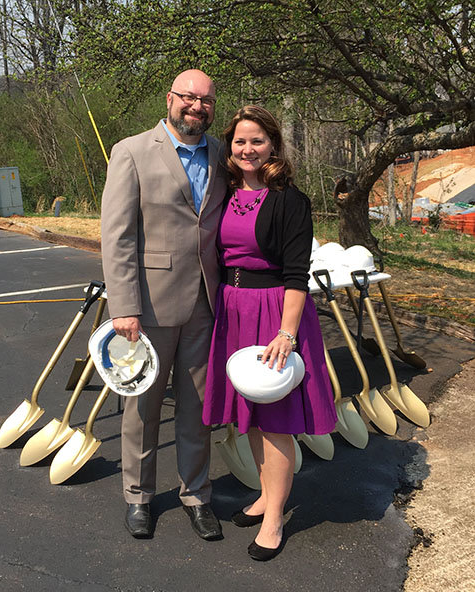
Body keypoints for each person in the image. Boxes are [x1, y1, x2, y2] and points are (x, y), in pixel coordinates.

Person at [202, 105, 338, 560]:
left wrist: (287, 334)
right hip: (234, 310)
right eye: (240, 141)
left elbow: (298, 274)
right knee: (252, 417)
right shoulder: (224, 191)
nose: (247, 149)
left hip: (275, 314)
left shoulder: (291, 201)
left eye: (256, 140)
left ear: (273, 145)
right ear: (230, 147)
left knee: (275, 422)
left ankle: (276, 518)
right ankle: (264, 496)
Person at [101, 69, 227, 541]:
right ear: (170, 98)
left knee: (197, 409)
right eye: (189, 98)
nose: (197, 106)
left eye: (207, 100)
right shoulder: (131, 152)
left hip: (205, 305)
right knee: (142, 408)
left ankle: (196, 495)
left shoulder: (221, 153)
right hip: (148, 308)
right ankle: (138, 496)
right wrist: (123, 307)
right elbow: (117, 237)